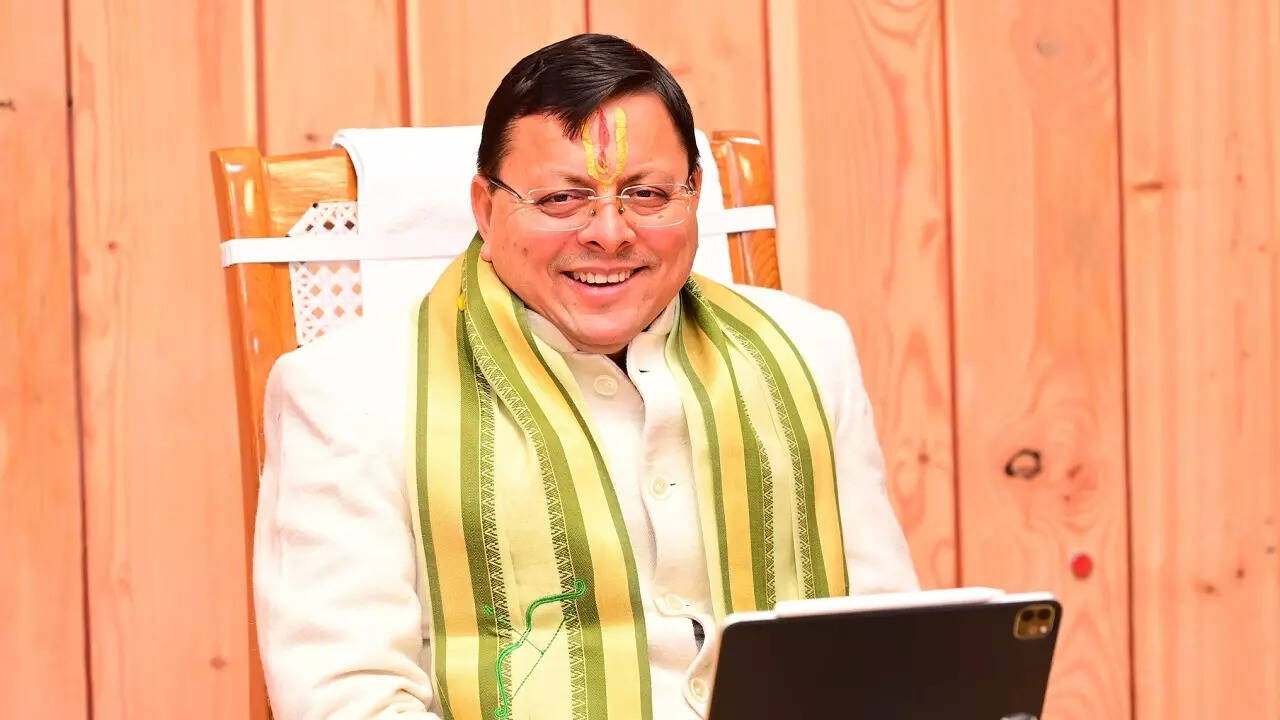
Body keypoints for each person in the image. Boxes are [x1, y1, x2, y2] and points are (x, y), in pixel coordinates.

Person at [254, 33, 918, 720]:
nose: (608, 232)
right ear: (485, 208)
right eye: (561, 199)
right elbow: (347, 701)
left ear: (695, 196)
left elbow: (892, 645)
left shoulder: (808, 352)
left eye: (647, 194)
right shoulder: (345, 394)